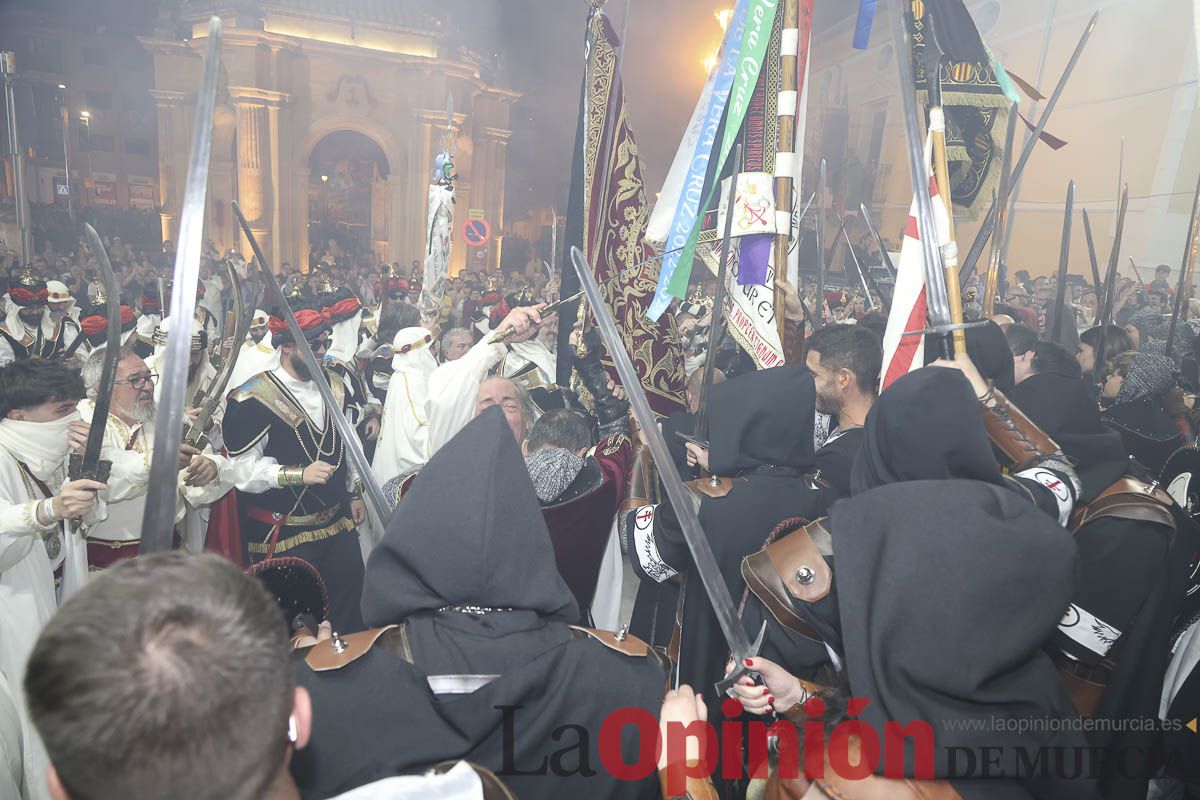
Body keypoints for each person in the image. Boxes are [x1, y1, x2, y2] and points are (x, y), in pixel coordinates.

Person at [737, 364, 1095, 798]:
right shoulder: (1028, 520)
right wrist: (988, 395)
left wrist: (797, 703)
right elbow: (1060, 474)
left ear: (877, 443)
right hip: (1036, 754)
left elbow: (889, 701)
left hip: (899, 772)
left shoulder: (853, 540)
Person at [293, 409, 667, 800]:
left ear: (415, 537)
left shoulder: (320, 694)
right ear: (531, 537)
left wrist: (305, 671)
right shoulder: (631, 684)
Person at [624, 365, 837, 703]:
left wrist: (644, 455)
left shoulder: (703, 500)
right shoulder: (829, 496)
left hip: (714, 676)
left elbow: (639, 548)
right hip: (798, 687)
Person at [223, 306, 368, 632]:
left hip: (338, 521)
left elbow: (349, 441)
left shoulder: (335, 384)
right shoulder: (252, 398)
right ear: (287, 346)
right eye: (313, 345)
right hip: (285, 534)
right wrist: (296, 474)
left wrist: (355, 489)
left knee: (350, 610)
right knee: (297, 627)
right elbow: (241, 471)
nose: (321, 352)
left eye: (325, 344)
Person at [78, 347, 232, 563]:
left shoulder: (167, 416)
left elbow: (208, 456)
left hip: (171, 553)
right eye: (136, 380)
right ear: (102, 387)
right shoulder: (82, 423)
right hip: (107, 565)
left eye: (149, 377)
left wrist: (211, 467)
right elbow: (105, 481)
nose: (148, 386)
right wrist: (159, 461)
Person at [804, 324, 880, 495]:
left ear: (844, 379)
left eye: (814, 375)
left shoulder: (838, 460)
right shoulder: (883, 427)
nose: (806, 384)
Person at [1100, 350, 1184, 475]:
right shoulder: (1171, 427)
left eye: (1113, 374)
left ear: (1131, 380)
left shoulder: (1110, 420)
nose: (1107, 377)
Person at [371, 327, 436, 487]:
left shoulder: (403, 375)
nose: (435, 352)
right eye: (431, 348)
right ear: (418, 352)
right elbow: (418, 432)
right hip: (404, 477)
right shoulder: (412, 381)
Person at [0, 267, 54, 364]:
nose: (35, 312)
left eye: (39, 307)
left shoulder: (59, 326)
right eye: (29, 309)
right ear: (16, 308)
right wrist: (27, 365)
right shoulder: (4, 333)